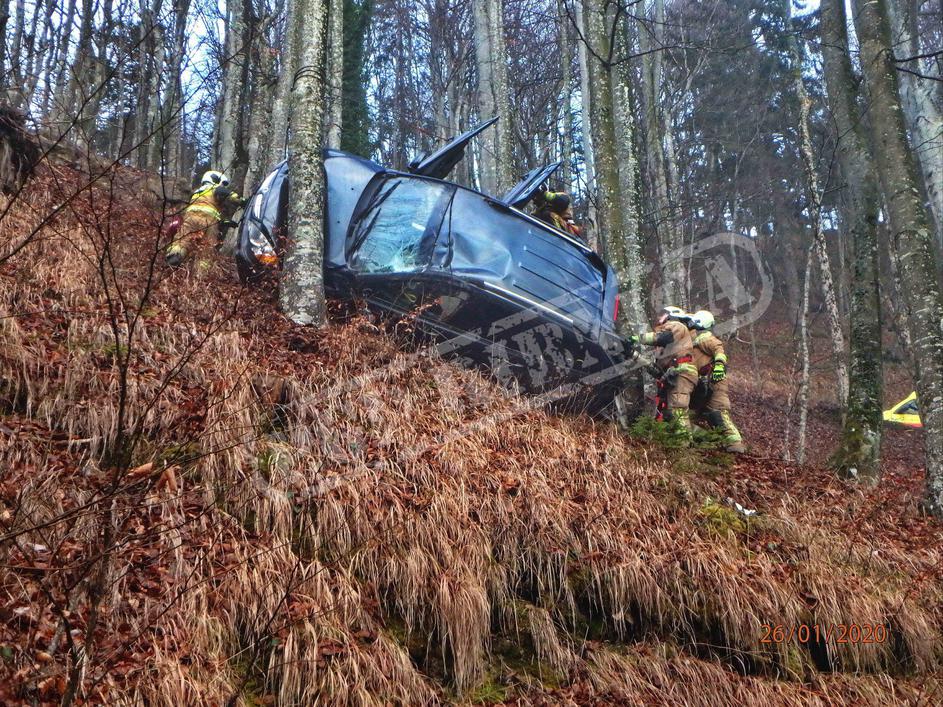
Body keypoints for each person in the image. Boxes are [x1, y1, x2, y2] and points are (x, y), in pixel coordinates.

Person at [631, 305, 698, 437]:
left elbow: (663, 337)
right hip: (674, 374)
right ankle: (677, 441)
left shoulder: (677, 326)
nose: (659, 318)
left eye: (662, 314)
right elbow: (658, 369)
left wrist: (637, 338)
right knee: (668, 411)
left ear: (670, 315)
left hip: (682, 372)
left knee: (678, 409)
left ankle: (683, 447)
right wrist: (634, 356)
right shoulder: (667, 347)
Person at [687, 309, 746, 453]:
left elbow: (719, 350)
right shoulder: (695, 339)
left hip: (714, 382)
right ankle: (709, 440)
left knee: (717, 412)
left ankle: (736, 445)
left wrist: (719, 365)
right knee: (691, 415)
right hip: (701, 384)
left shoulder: (706, 338)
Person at [165, 170, 246, 267]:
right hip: (208, 221)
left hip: (190, 219)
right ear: (215, 180)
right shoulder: (215, 188)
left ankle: (174, 257)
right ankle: (202, 271)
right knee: (207, 247)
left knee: (182, 240)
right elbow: (228, 195)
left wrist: (224, 222)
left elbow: (203, 207)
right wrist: (243, 201)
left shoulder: (196, 193)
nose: (222, 186)